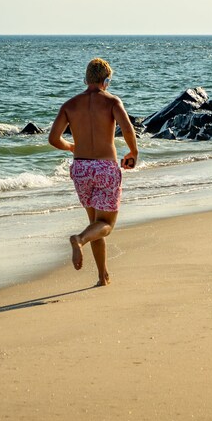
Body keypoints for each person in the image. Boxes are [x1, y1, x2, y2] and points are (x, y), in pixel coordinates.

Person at [48, 58, 138, 287]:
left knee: (94, 225)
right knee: (106, 226)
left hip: (81, 169)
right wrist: (133, 152)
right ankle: (78, 239)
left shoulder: (70, 104)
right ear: (106, 81)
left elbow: (53, 138)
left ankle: (102, 276)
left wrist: (70, 146)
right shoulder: (112, 101)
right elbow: (127, 129)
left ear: (85, 79)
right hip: (105, 168)